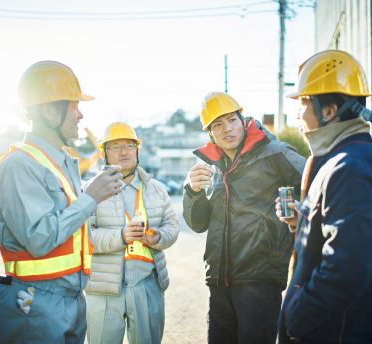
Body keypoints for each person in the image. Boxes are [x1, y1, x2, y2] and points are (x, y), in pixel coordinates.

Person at [0, 61, 123, 344]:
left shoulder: (59, 162)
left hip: (69, 298)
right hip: (34, 301)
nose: (81, 114)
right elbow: (39, 237)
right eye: (74, 106)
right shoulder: (18, 165)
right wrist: (91, 197)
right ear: (49, 111)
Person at [183, 91, 306, 344]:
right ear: (210, 133)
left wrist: (296, 213)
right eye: (217, 124)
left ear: (243, 120)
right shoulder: (213, 169)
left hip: (260, 277)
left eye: (231, 120)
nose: (227, 129)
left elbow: (317, 184)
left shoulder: (276, 153)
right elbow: (198, 225)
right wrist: (193, 192)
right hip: (219, 280)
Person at [276, 50, 372, 344]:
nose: (298, 115)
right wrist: (300, 223)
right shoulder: (349, 157)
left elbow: (346, 266)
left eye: (303, 103)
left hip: (334, 333)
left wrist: (296, 318)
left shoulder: (348, 167)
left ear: (329, 111)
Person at [83, 122, 179, 344]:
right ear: (104, 154)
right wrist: (121, 237)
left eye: (129, 145)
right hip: (103, 288)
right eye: (115, 147)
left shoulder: (157, 189)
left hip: (147, 286)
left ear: (137, 149)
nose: (123, 151)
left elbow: (172, 226)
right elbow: (84, 236)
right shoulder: (90, 189)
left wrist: (159, 237)